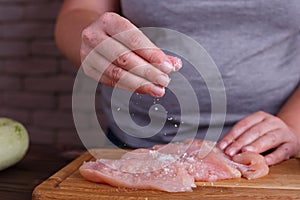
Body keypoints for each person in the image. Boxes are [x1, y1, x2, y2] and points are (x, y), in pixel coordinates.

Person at [55, 0, 300, 166]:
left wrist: (293, 123)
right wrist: (91, 41)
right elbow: (78, 10)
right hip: (132, 147)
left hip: (273, 155)